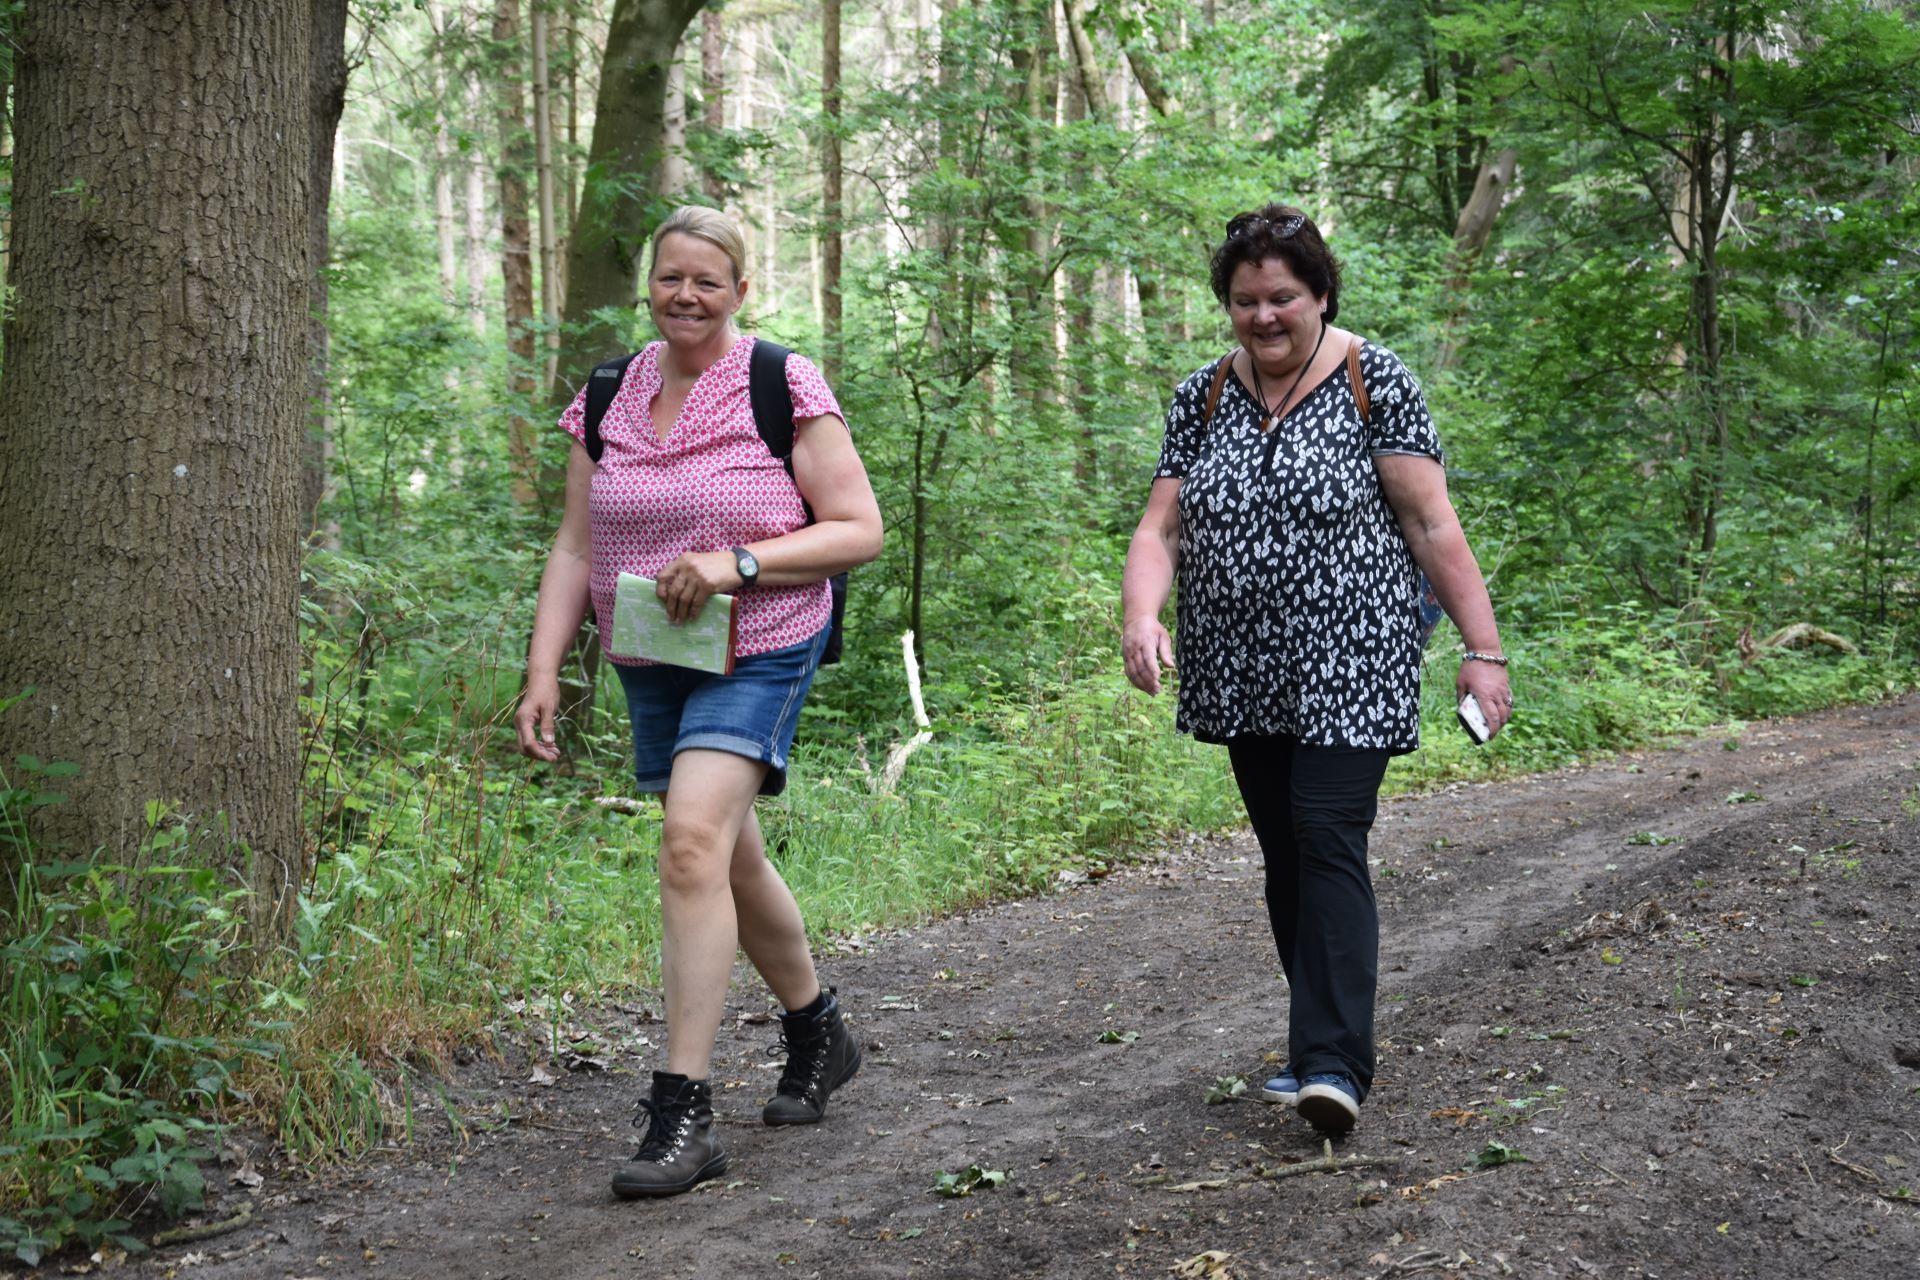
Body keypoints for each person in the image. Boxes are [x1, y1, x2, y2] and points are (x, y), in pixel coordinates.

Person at [1120, 204, 1511, 1138]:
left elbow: (1431, 524)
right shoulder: (1202, 395)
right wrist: (1141, 614)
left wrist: (1483, 651)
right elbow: (1160, 528)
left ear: (1322, 295)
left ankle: (1333, 1063)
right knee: (1285, 851)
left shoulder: (1378, 380)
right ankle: (1314, 1042)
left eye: (1283, 297)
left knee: (1325, 831)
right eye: (1245, 300)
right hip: (1241, 664)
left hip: (1355, 652)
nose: (1264, 316)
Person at [516, 205, 883, 1198]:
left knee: (688, 842)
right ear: (650, 284)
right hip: (652, 652)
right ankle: (819, 1030)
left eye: (706, 281)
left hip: (763, 640)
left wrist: (737, 562)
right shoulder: (608, 393)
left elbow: (858, 528)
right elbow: (576, 546)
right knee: (724, 852)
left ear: (740, 290)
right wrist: (545, 670)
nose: (685, 295)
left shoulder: (780, 382)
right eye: (670, 277)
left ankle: (683, 1109)